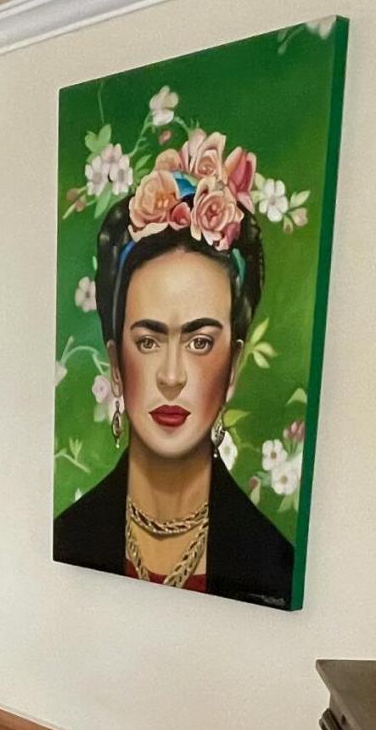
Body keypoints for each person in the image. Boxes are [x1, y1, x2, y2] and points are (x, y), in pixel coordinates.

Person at [52, 134, 292, 606]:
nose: (171, 376)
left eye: (200, 342)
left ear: (233, 366)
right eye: (148, 341)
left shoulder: (271, 563)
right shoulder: (72, 537)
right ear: (116, 364)